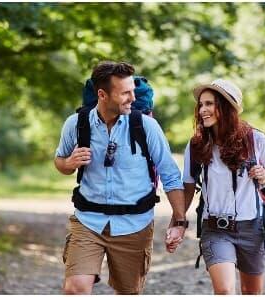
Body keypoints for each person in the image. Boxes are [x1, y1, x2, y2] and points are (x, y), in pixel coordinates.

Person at [54, 61, 188, 294]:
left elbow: (170, 175)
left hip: (134, 225)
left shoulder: (146, 127)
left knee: (129, 292)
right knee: (75, 288)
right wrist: (69, 163)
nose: (132, 98)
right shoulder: (76, 124)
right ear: (102, 94)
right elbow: (60, 161)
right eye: (125, 93)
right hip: (88, 221)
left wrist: (179, 221)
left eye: (133, 91)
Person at [180, 79, 265, 294]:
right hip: (215, 228)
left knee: (251, 292)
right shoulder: (197, 144)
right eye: (201, 104)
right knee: (225, 290)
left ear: (226, 107)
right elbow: (188, 185)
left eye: (209, 104)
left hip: (253, 228)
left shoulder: (255, 139)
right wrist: (178, 221)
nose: (202, 110)